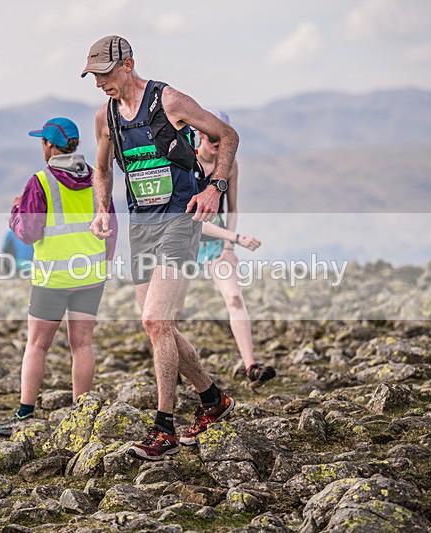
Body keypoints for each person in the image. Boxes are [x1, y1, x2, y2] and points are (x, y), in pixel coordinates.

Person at [82, 35, 239, 460]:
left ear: (128, 64)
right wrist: (102, 209)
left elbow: (226, 134)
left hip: (180, 219)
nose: (100, 84)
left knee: (155, 321)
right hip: (142, 226)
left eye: (105, 74)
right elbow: (100, 168)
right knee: (160, 327)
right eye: (93, 77)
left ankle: (164, 427)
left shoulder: (169, 101)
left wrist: (215, 188)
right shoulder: (106, 117)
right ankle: (213, 400)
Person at [0, 117, 117, 437]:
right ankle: (81, 413)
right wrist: (103, 264)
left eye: (42, 142)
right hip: (91, 274)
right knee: (82, 343)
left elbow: (29, 235)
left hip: (52, 278)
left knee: (37, 345)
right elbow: (111, 226)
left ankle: (24, 414)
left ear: (48, 144)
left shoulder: (41, 181)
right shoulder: (98, 177)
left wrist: (15, 214)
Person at [183, 110, 276, 383]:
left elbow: (232, 208)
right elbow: (190, 219)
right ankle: (175, 367)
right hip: (184, 239)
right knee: (172, 311)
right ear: (200, 133)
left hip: (217, 240)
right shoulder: (187, 163)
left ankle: (251, 366)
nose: (217, 142)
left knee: (234, 298)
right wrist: (236, 239)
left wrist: (228, 246)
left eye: (222, 136)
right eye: (212, 136)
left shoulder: (230, 165)